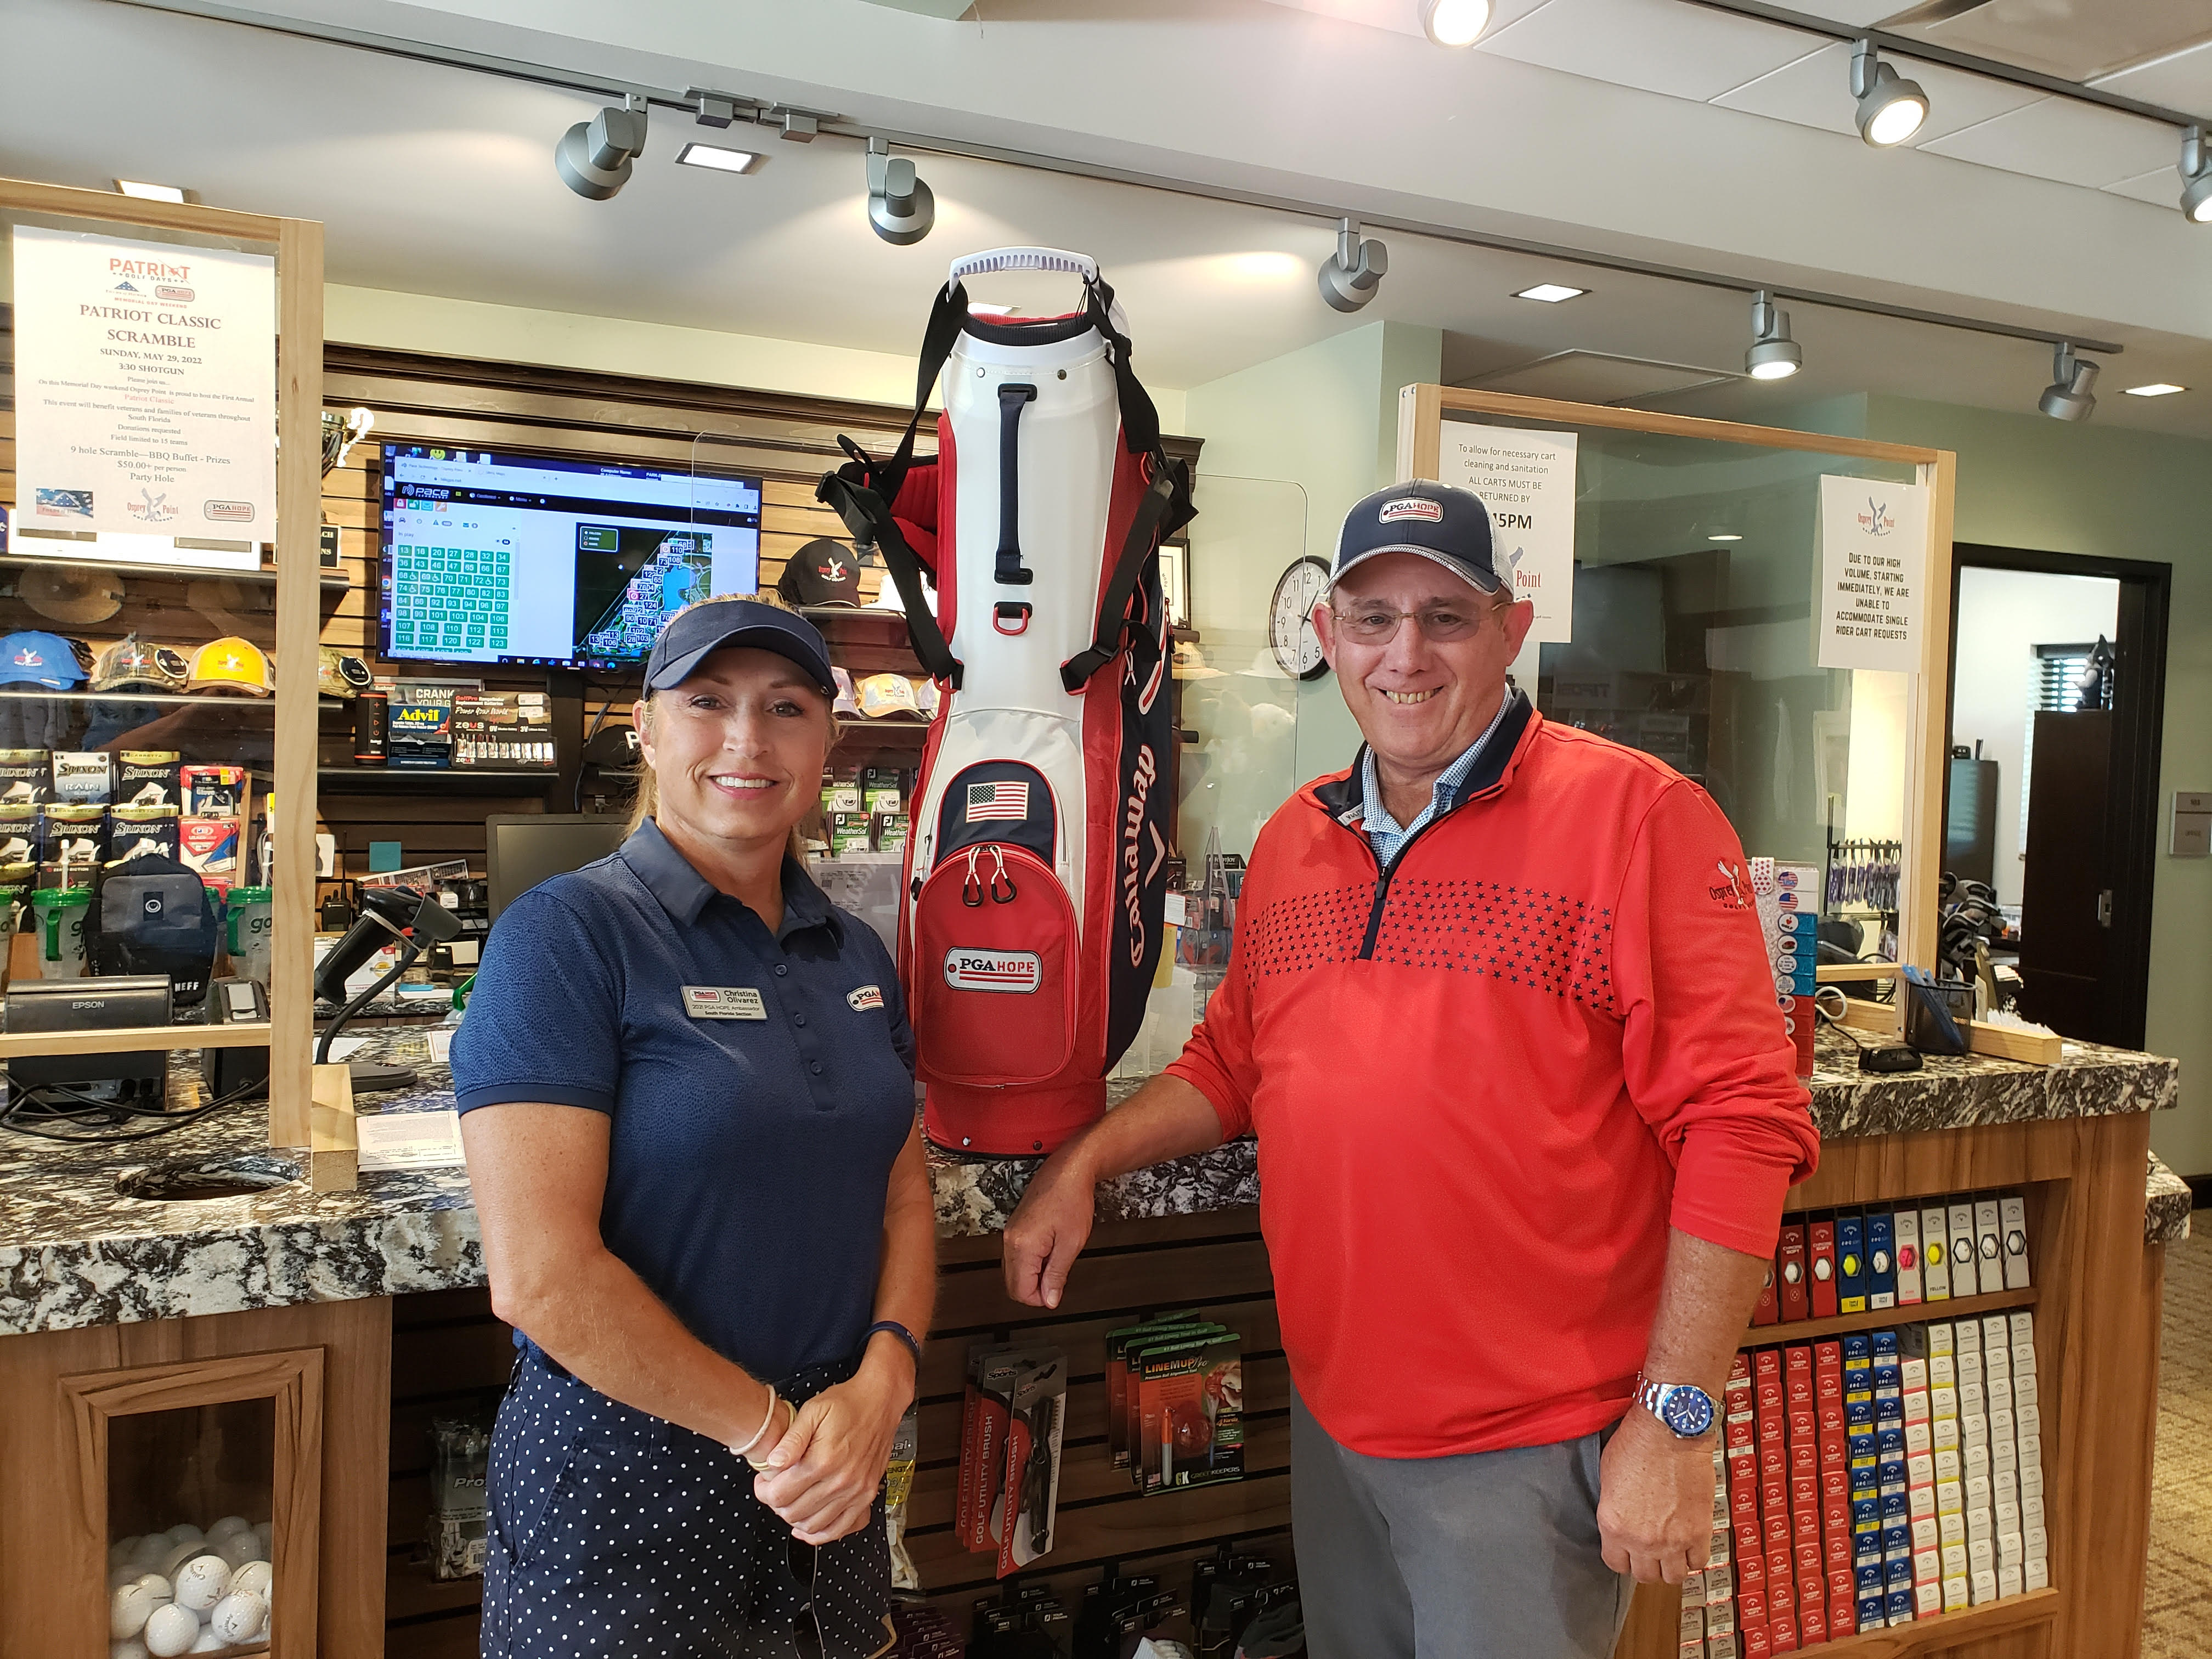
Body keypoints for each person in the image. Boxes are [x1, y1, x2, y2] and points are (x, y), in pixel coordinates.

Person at [1003, 480, 1821, 1659]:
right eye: (1372, 617)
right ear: (1329, 635)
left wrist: (1675, 1422)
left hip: (1525, 1453)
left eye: (1445, 616)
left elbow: (1744, 1125)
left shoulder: (1641, 818)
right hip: (1342, 1427)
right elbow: (1232, 1059)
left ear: (1510, 628)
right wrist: (1086, 1159)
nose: (1406, 654)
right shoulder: (1297, 837)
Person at [453, 596, 932, 1658]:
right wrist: (773, 1436)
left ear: (829, 740)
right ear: (648, 730)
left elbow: (901, 1192)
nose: (747, 741)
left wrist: (886, 1381)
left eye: (787, 707)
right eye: (708, 703)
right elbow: (541, 1278)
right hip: (632, 1495)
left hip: (831, 1482)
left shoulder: (855, 954)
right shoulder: (566, 938)